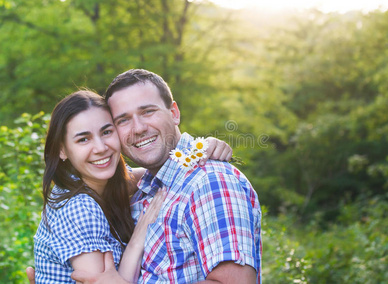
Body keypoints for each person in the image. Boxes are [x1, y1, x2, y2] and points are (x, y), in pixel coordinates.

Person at [71, 69, 262, 283]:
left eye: (147, 112)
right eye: (123, 120)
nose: (139, 128)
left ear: (174, 113)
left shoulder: (209, 182)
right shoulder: (146, 188)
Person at [29, 90, 232, 284]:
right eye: (83, 139)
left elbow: (157, 172)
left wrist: (200, 149)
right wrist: (138, 237)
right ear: (62, 150)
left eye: (106, 132)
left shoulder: (103, 184)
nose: (100, 148)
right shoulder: (79, 206)